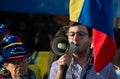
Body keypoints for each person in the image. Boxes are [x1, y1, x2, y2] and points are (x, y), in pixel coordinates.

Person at [48, 21, 118, 79]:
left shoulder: (105, 67)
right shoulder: (57, 65)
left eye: (80, 34)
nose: (75, 38)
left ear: (90, 39)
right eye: (72, 35)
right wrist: (61, 71)